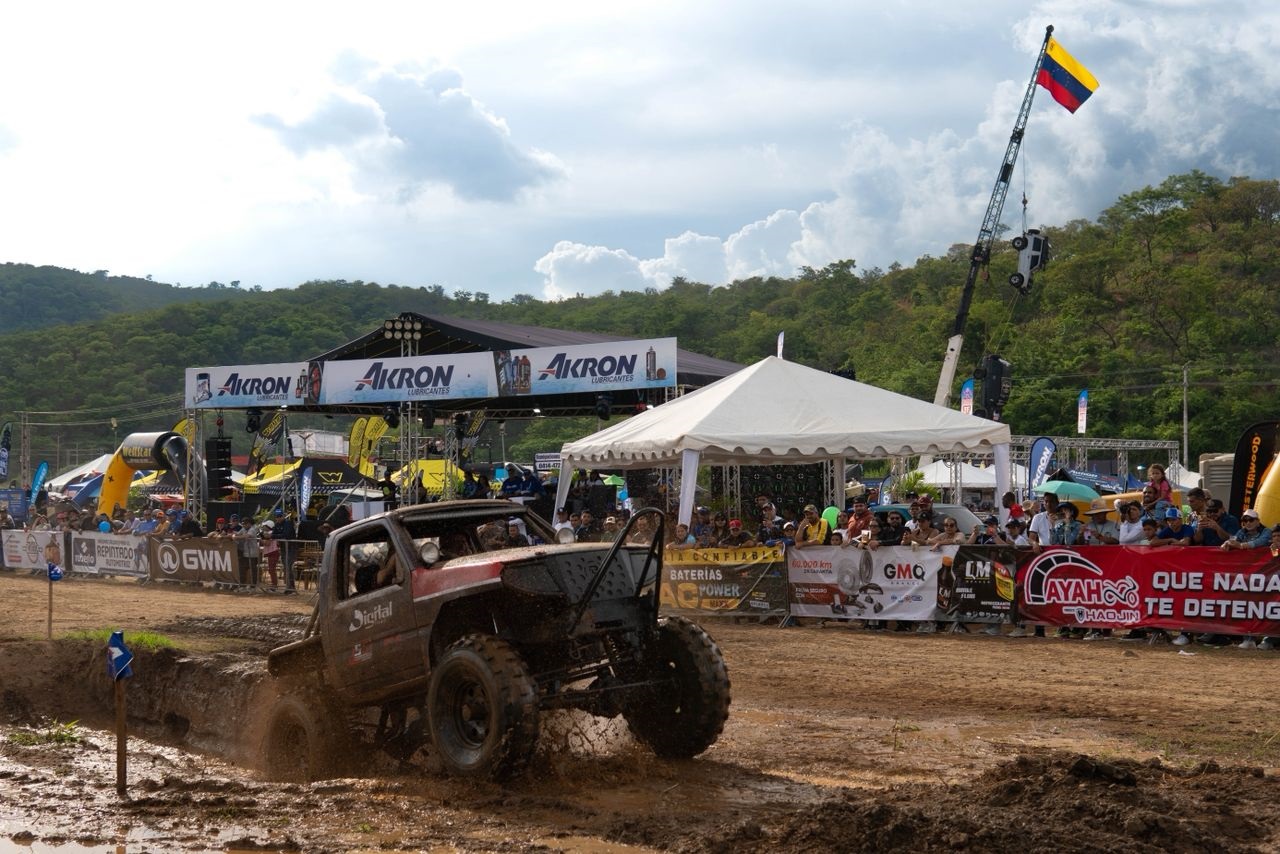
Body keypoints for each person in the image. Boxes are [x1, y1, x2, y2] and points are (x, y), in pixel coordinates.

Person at [260, 519, 280, 587]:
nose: (263, 527)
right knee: (271, 569)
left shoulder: (271, 533)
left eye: (265, 526)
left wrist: (261, 540)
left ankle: (274, 585)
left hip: (273, 552)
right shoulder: (267, 533)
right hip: (271, 553)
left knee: (271, 569)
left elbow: (267, 543)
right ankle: (273, 584)